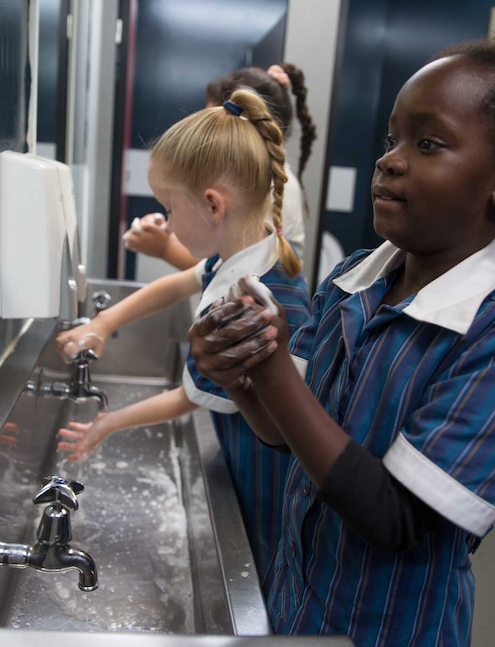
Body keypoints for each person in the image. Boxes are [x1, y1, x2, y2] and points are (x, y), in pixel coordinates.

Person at [186, 36, 495, 646]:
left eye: (427, 144)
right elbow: (288, 435)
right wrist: (242, 373)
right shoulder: (354, 279)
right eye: (393, 140)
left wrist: (277, 374)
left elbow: (394, 517)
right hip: (296, 605)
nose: (389, 160)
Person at [55, 88, 312, 578]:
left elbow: (186, 399)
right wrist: (104, 322)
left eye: (169, 208)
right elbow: (177, 282)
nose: (167, 223)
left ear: (213, 205)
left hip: (266, 490)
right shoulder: (255, 247)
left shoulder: (245, 305)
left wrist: (107, 423)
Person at [124, 63, 316, 268]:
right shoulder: (246, 177)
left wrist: (164, 248)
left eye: (214, 127)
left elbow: (228, 263)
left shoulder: (267, 187)